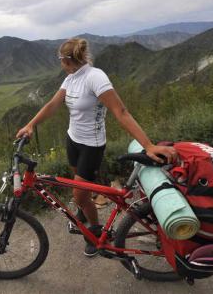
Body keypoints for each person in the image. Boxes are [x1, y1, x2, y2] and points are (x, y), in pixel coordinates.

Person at [16, 38, 177, 257]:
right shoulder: (71, 78)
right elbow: (52, 104)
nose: (60, 64)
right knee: (79, 188)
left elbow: (121, 111)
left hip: (92, 146)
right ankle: (84, 210)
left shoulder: (95, 78)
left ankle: (94, 230)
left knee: (80, 196)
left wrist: (148, 145)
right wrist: (30, 125)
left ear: (66, 60)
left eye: (59, 60)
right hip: (73, 140)